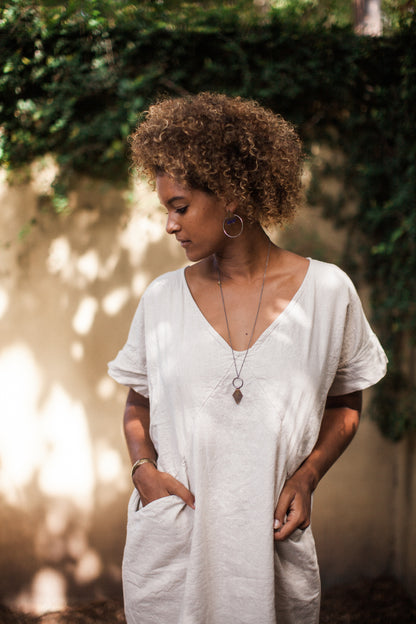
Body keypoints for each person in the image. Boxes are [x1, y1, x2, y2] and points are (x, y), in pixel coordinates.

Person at [108, 92, 387, 624]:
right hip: (176, 552)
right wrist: (143, 469)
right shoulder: (162, 300)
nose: (169, 224)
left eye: (180, 207)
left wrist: (307, 477)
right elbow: (137, 404)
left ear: (233, 194)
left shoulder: (328, 293)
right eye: (166, 209)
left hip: (269, 555)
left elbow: (345, 403)